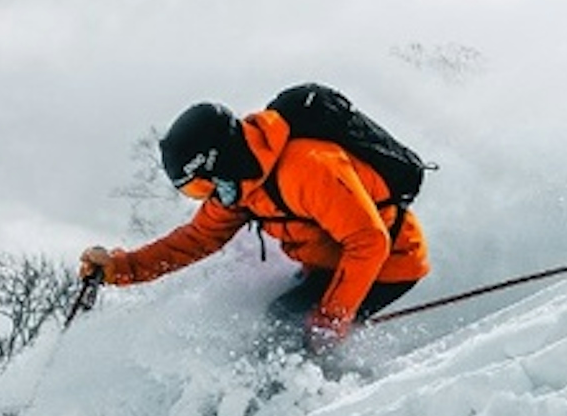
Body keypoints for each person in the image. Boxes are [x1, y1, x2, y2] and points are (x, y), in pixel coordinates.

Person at [79, 98, 430, 347]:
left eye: (202, 184)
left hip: (390, 261)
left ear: (219, 161)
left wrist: (330, 321)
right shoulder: (242, 185)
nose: (208, 195)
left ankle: (317, 399)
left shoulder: (308, 167)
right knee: (272, 319)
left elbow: (369, 241)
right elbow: (196, 239)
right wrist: (122, 268)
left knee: (283, 322)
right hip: (328, 263)